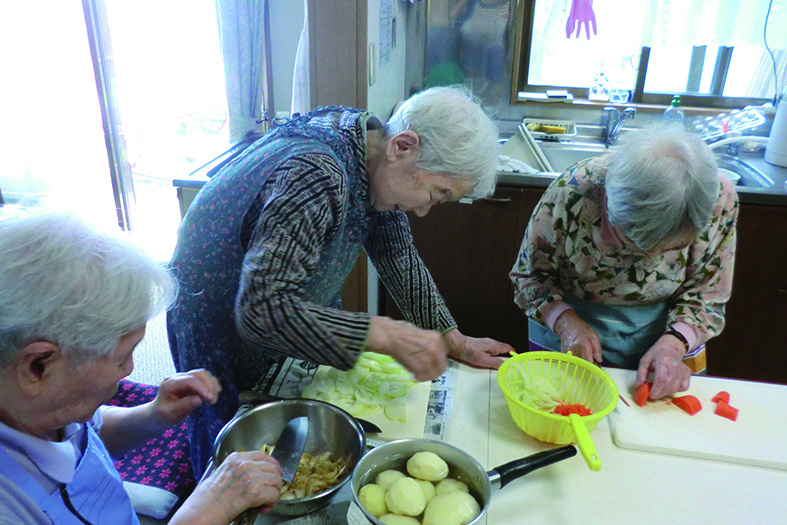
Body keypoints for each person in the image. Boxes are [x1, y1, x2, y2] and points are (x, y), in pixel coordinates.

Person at [167, 85, 514, 477]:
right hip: (214, 315)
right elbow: (262, 311)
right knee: (229, 452)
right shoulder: (317, 173)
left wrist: (453, 338)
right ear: (404, 146)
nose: (424, 212)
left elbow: (397, 255)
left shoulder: (374, 151)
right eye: (436, 193)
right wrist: (381, 332)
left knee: (286, 446)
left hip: (277, 302)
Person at [0, 208, 283, 525]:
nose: (129, 370)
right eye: (122, 357)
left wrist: (152, 415)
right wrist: (201, 513)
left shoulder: (43, 407)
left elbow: (93, 431)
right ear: (37, 366)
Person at [510, 126, 738, 400]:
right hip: (571, 321)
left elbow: (708, 294)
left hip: (668, 332)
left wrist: (675, 344)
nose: (650, 259)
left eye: (673, 248)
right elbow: (530, 275)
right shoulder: (575, 190)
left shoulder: (719, 201)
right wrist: (564, 322)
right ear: (608, 206)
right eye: (627, 244)